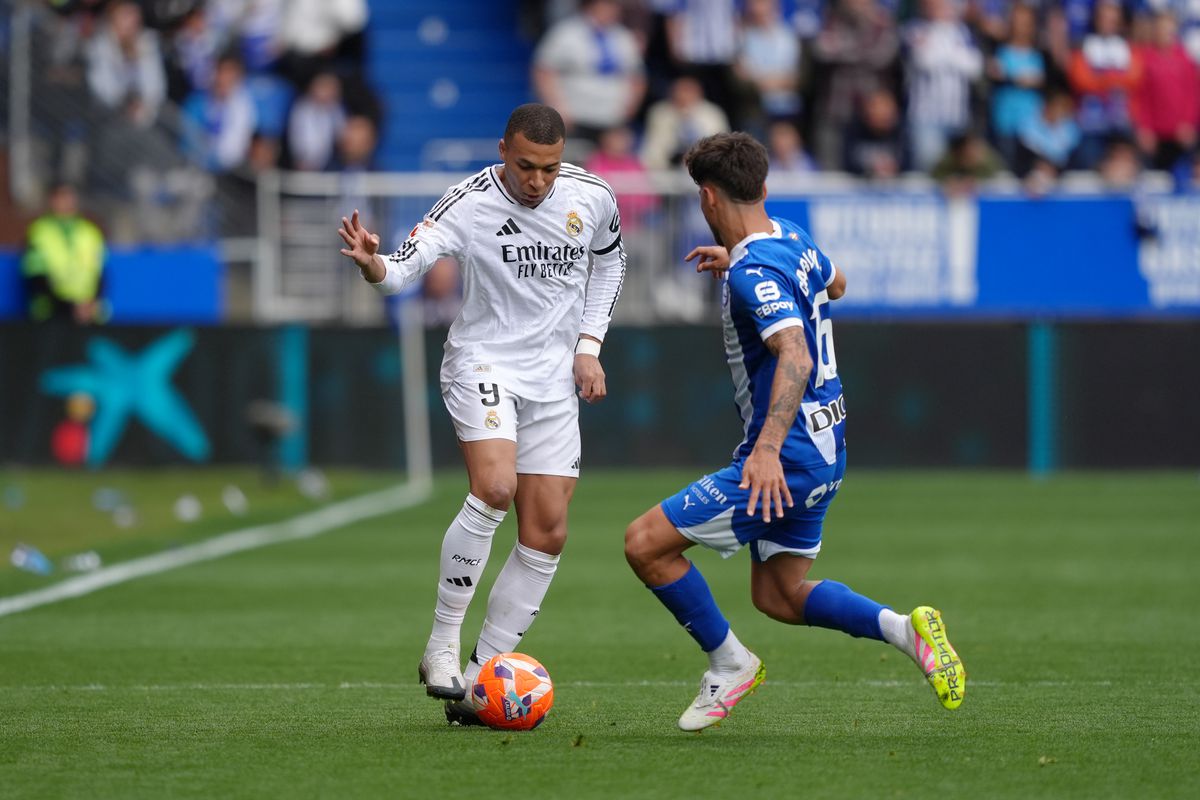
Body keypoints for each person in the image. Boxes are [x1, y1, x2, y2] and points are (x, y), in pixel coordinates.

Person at [622, 132, 966, 732]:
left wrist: (765, 451)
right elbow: (837, 284)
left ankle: (729, 664)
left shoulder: (753, 272)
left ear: (708, 198)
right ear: (762, 186)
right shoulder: (790, 239)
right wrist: (751, 268)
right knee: (779, 595)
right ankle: (905, 631)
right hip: (829, 448)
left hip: (788, 458)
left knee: (644, 543)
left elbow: (797, 355)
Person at [336, 104, 626, 725]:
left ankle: (479, 681)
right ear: (502, 151)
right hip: (483, 361)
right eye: (525, 166)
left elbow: (609, 262)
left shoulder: (594, 196)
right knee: (496, 487)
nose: (537, 181)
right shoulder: (467, 202)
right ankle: (441, 645)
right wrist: (374, 265)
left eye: (549, 168)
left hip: (554, 379)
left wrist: (589, 346)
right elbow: (404, 270)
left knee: (547, 531)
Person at [22, 182, 108, 324]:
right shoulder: (39, 232)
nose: (65, 202)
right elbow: (36, 278)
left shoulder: (90, 232)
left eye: (68, 197)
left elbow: (101, 274)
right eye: (60, 197)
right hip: (52, 312)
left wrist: (90, 304)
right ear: (51, 201)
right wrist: (69, 307)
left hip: (88, 313)